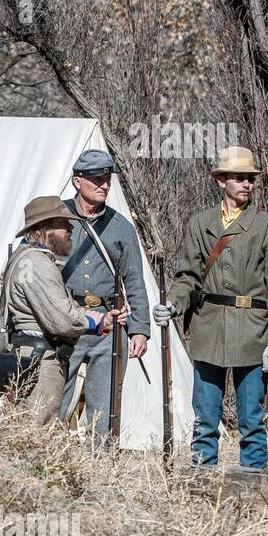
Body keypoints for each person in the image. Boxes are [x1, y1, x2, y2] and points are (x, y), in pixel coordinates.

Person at [153, 147, 268, 469]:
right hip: (209, 327)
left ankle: (252, 488)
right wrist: (173, 303)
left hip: (252, 330)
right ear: (221, 181)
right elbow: (188, 276)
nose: (247, 184)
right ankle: (202, 484)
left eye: (251, 179)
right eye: (239, 178)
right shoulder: (201, 223)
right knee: (205, 419)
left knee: (252, 421)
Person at [0, 198, 122, 423]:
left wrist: (95, 320)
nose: (70, 228)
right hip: (41, 362)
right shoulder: (37, 262)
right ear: (45, 229)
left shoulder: (23, 257)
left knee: (28, 428)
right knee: (38, 432)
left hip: (28, 357)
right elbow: (61, 320)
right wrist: (95, 322)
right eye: (64, 223)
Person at [58, 149, 150, 443]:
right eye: (96, 179)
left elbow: (135, 281)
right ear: (77, 181)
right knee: (55, 401)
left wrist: (139, 329)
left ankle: (100, 473)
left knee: (104, 411)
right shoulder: (56, 217)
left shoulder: (121, 226)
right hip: (66, 322)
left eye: (107, 179)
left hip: (109, 328)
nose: (104, 185)